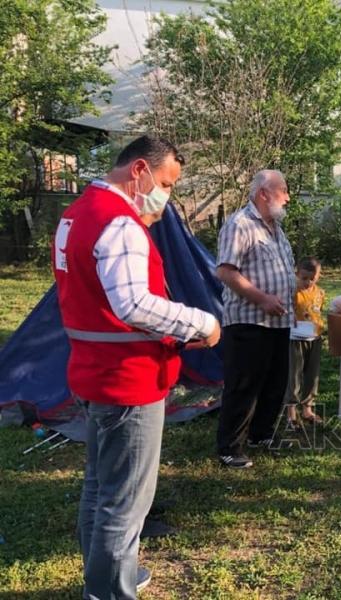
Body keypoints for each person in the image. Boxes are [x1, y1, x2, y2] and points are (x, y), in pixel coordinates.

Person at [52, 135, 221, 599]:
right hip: (129, 379)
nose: (166, 196)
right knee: (124, 502)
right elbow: (133, 304)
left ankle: (107, 575)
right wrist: (200, 321)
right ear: (140, 170)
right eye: (166, 183)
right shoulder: (119, 223)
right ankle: (108, 590)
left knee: (100, 487)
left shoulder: (75, 215)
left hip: (93, 372)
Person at [216, 169, 295, 468]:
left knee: (275, 382)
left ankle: (260, 433)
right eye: (283, 190)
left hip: (278, 322)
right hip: (249, 320)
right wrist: (262, 298)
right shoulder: (240, 224)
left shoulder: (275, 227)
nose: (287, 197)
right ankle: (230, 447)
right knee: (243, 385)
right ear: (264, 193)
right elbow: (225, 271)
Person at [285, 257, 325, 428]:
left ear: (318, 276)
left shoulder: (320, 293)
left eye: (312, 278)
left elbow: (318, 312)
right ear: (297, 275)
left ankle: (307, 408)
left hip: (314, 338)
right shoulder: (291, 292)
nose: (308, 282)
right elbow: (285, 310)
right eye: (304, 278)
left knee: (312, 374)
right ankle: (291, 412)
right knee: (293, 375)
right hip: (295, 339)